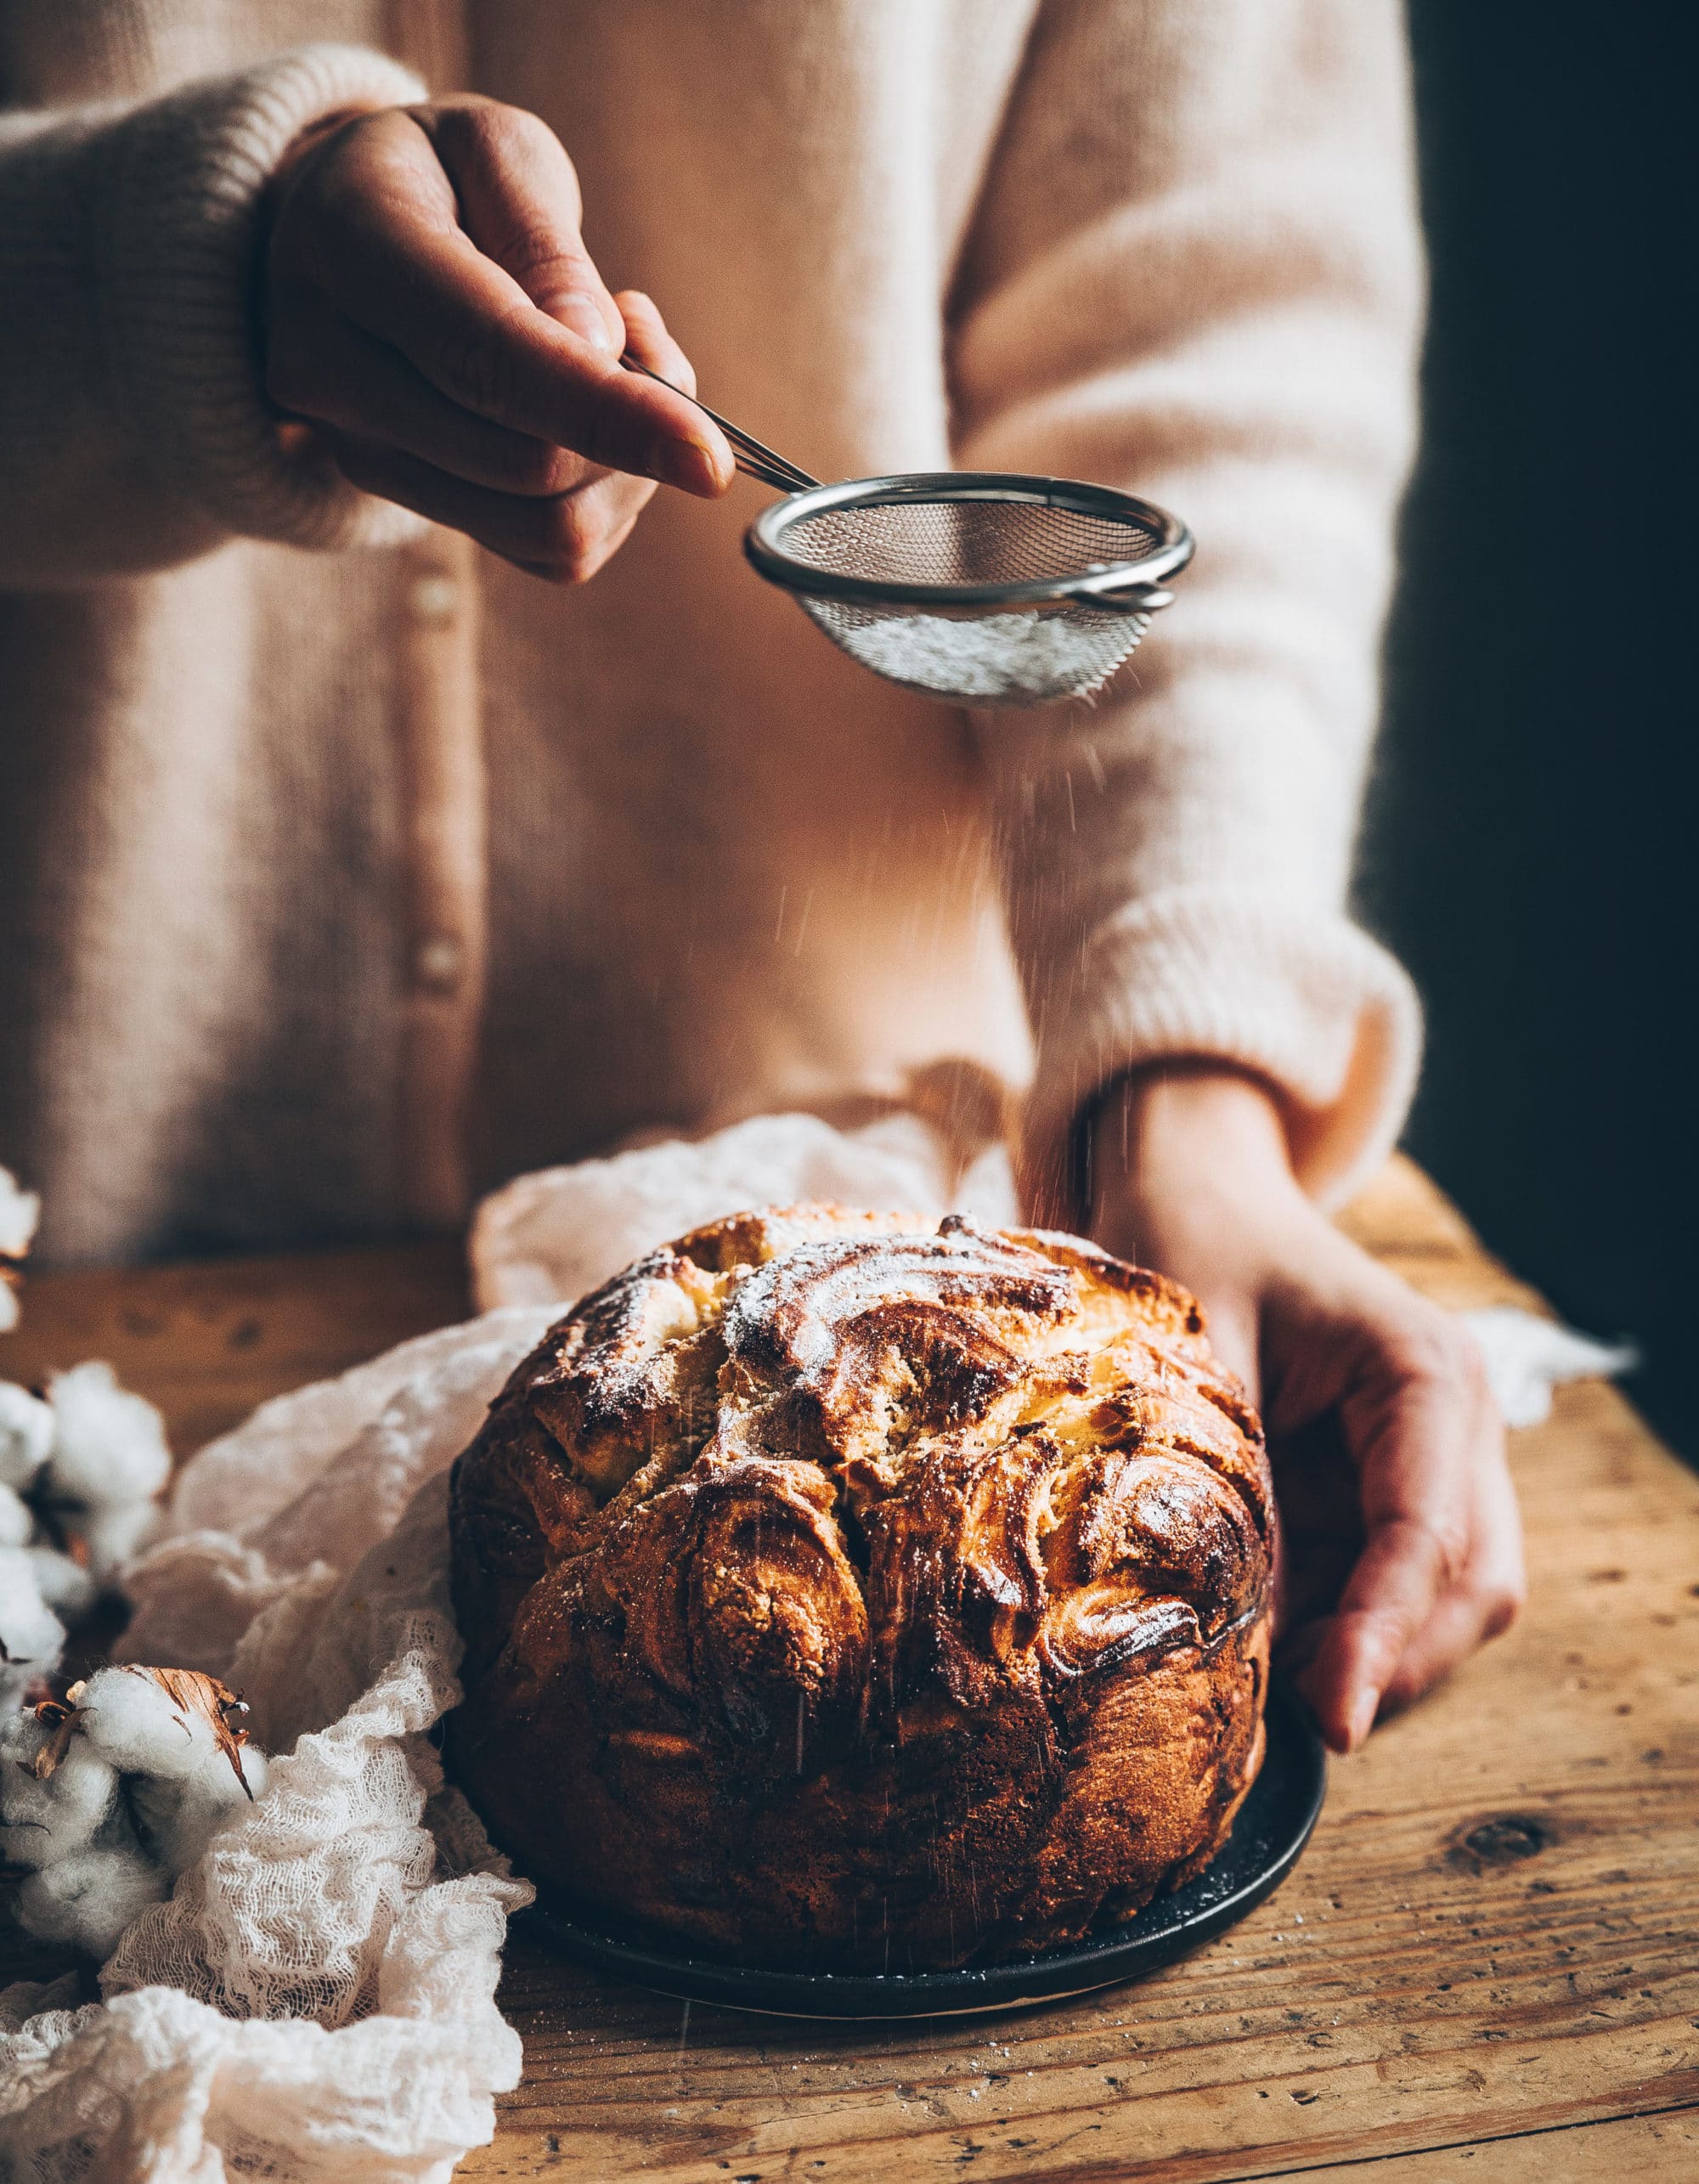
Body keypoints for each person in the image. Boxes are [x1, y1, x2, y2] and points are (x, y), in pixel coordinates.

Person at [0, 2, 1521, 1753]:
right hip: (65, 1343)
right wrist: (162, 285)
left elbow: (1211, 323)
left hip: (886, 1258)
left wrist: (1181, 1097)